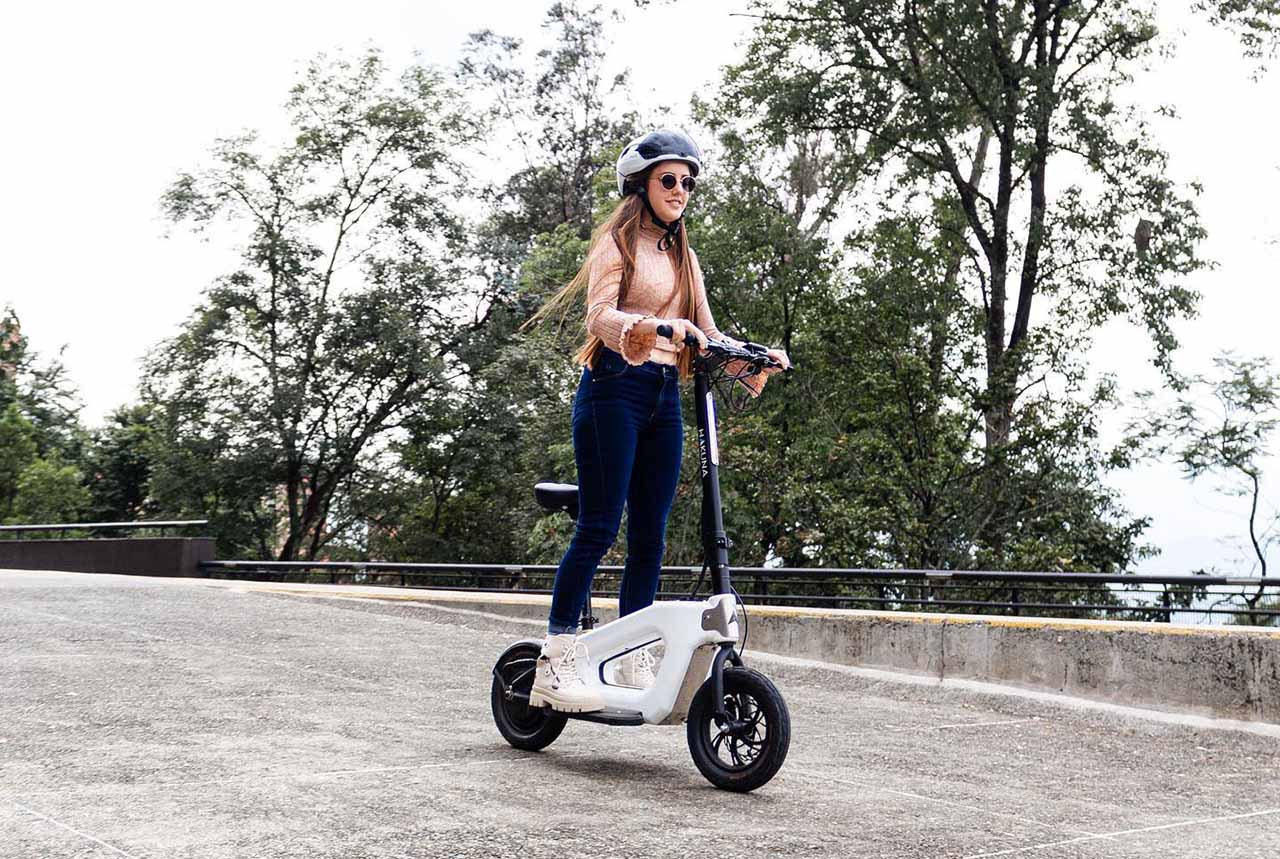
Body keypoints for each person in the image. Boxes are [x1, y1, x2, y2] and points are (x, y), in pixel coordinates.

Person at [520, 129, 791, 712]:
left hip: (666, 395)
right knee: (599, 527)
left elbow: (707, 334)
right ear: (640, 184)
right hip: (613, 387)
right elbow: (599, 316)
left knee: (651, 536)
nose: (680, 190)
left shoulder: (684, 257)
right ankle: (557, 657)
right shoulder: (616, 244)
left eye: (688, 182)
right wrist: (652, 327)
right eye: (669, 179)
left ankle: (630, 653)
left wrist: (754, 356)